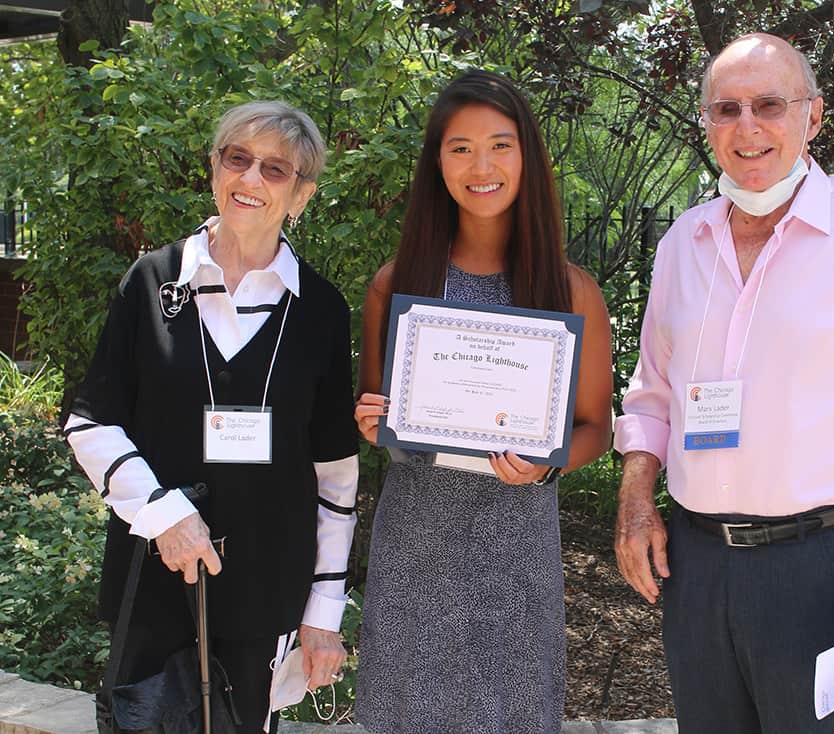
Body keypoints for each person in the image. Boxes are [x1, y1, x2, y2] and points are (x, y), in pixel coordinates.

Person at [613, 33, 834, 734]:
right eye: (726, 108)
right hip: (698, 567)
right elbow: (652, 396)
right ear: (708, 123)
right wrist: (634, 502)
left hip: (831, 566)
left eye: (769, 105)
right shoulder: (682, 244)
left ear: (812, 117)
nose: (747, 127)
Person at [64, 101, 359, 733]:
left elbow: (335, 476)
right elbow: (90, 422)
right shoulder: (152, 282)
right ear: (215, 167)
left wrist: (325, 611)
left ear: (300, 194)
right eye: (238, 158)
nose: (251, 179)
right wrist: (163, 512)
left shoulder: (321, 312)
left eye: (275, 169)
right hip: (154, 583)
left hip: (264, 589)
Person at [352, 70, 613, 734]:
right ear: (437, 161)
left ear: (527, 155)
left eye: (500, 144)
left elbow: (595, 429)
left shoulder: (568, 291)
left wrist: (548, 463)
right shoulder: (397, 286)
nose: (481, 166)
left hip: (515, 553)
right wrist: (371, 421)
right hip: (417, 552)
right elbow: (383, 418)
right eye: (460, 148)